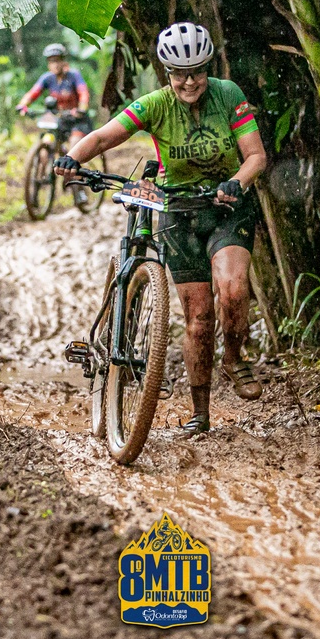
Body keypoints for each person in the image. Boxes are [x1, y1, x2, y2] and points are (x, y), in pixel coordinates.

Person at [53, 22, 267, 436]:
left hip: (226, 207)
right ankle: (200, 413)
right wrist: (72, 158)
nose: (189, 82)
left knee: (233, 287)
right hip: (178, 211)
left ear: (208, 68)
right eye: (180, 74)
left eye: (197, 72)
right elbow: (104, 137)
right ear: (167, 73)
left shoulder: (228, 95)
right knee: (198, 319)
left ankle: (234, 357)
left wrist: (235, 183)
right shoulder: (155, 104)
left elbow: (255, 156)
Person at [16, 43, 93, 147]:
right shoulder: (47, 78)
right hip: (59, 120)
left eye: (57, 60)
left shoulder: (74, 75)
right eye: (51, 61)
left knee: (75, 145)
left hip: (77, 121)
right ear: (48, 64)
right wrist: (22, 105)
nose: (55, 64)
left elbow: (83, 93)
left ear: (64, 61)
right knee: (46, 143)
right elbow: (33, 93)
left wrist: (81, 109)